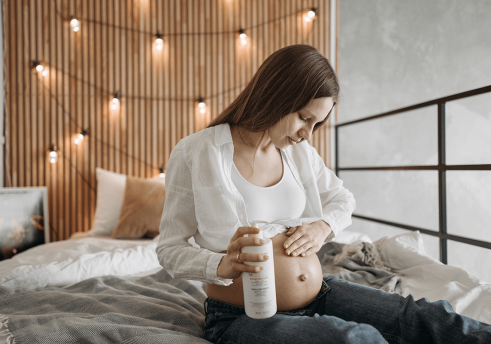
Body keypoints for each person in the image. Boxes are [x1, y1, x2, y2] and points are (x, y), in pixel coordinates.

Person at [156, 44, 491, 344]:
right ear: (277, 95)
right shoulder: (197, 152)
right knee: (354, 339)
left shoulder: (299, 154)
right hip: (240, 316)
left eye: (316, 124)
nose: (308, 135)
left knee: (424, 316)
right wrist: (222, 264)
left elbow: (343, 200)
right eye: (304, 119)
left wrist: (321, 228)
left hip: (320, 292)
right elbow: (170, 250)